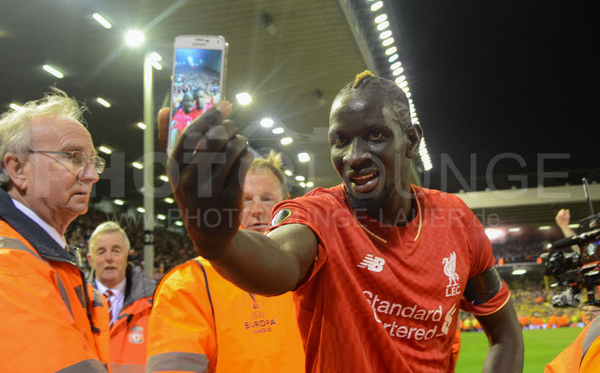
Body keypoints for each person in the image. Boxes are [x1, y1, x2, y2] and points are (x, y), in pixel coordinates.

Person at [160, 70, 524, 372]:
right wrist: (217, 239)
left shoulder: (454, 219)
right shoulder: (321, 213)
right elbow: (280, 260)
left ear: (411, 141)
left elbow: (505, 330)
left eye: (374, 136)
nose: (354, 156)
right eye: (340, 141)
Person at [146, 151, 304, 373]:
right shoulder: (188, 284)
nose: (257, 210)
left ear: (286, 202)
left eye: (267, 199)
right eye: (245, 200)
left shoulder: (313, 270)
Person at [0, 89, 110, 372]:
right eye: (73, 157)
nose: (92, 175)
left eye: (93, 161)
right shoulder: (9, 264)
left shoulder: (42, 254)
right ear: (18, 168)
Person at [87, 221, 155, 373]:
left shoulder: (154, 304)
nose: (109, 258)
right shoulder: (74, 303)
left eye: (116, 251)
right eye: (101, 251)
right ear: (90, 260)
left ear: (128, 256)